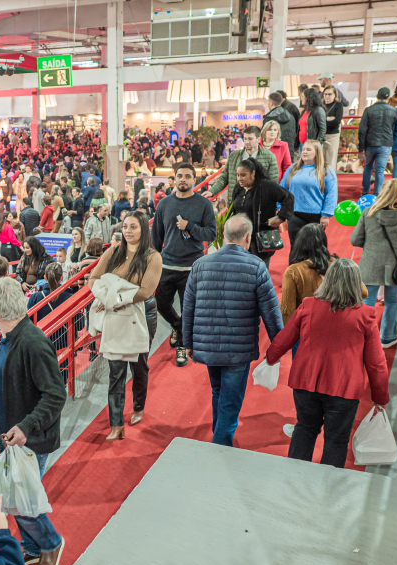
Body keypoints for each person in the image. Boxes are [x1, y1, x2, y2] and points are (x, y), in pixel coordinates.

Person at [265, 259, 390, 467]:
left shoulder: (308, 305)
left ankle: (292, 477)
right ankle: (326, 484)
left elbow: (285, 337)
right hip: (344, 390)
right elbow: (376, 363)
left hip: (306, 383)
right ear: (356, 282)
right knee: (336, 441)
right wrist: (380, 396)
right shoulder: (365, 315)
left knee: (304, 428)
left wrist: (271, 357)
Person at [0, 277, 66, 565]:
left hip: (28, 439)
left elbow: (55, 395)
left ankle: (51, 543)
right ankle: (32, 547)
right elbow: (8, 379)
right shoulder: (9, 338)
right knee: (16, 498)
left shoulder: (32, 342)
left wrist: (26, 426)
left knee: (23, 502)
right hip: (13, 436)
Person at [182, 215, 283, 447]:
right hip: (238, 349)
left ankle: (218, 435)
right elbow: (271, 311)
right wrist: (277, 347)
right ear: (248, 238)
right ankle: (221, 447)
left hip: (207, 345)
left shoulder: (200, 265)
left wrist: (188, 343)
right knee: (230, 402)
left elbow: (188, 308)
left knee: (218, 391)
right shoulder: (256, 266)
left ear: (224, 235)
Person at [88, 210, 162, 439]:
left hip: (141, 313)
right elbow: (93, 279)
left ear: (143, 229)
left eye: (133, 227)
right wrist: (106, 298)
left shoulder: (152, 257)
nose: (127, 231)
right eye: (125, 226)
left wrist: (115, 300)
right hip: (115, 316)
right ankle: (116, 424)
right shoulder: (113, 252)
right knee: (115, 370)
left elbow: (145, 291)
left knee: (139, 365)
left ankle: (138, 406)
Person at [151, 163, 217, 368]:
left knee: (189, 309)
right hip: (167, 265)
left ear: (194, 180)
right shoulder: (164, 204)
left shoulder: (203, 204)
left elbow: (211, 234)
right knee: (161, 304)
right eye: (180, 176)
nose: (183, 179)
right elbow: (156, 236)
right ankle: (178, 327)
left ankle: (181, 344)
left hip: (191, 267)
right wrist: (154, 262)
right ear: (174, 178)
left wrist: (190, 227)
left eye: (188, 176)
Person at [350, 178, 397, 348]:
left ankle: (363, 338)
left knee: (367, 302)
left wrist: (371, 245)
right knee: (392, 301)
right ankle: (387, 337)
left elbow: (355, 239)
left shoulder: (368, 212)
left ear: (382, 191)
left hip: (370, 264)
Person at [230, 157, 294, 267]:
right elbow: (233, 209)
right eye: (238, 175)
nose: (239, 179)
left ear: (253, 173)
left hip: (260, 241)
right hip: (240, 240)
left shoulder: (267, 186)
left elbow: (288, 198)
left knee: (259, 272)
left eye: (243, 175)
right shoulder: (238, 188)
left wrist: (281, 217)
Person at [280, 140, 337, 248]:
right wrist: (279, 206)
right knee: (296, 248)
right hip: (294, 214)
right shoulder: (293, 168)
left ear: (317, 152)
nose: (304, 152)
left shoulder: (326, 170)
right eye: (303, 149)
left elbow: (331, 194)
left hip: (316, 216)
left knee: (315, 248)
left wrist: (326, 215)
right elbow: (282, 189)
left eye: (308, 149)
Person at [208, 126, 279, 201]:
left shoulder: (269, 157)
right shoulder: (233, 156)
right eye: (245, 139)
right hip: (236, 202)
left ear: (258, 139)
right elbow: (223, 178)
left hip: (259, 203)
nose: (247, 142)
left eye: (250, 139)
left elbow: (273, 184)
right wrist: (212, 191)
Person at [358, 87, 397, 196]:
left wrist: (361, 147)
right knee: (380, 170)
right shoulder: (394, 111)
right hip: (386, 144)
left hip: (370, 143)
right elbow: (395, 129)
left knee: (368, 166)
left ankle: (365, 191)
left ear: (377, 96)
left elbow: (362, 130)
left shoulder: (369, 110)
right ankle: (377, 194)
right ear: (388, 98)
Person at [322, 86, 345, 173]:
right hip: (321, 135)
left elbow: (336, 122)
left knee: (331, 160)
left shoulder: (338, 105)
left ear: (335, 95)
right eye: (325, 94)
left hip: (333, 135)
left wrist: (323, 121)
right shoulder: (320, 105)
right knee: (321, 160)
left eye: (329, 94)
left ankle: (330, 178)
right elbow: (317, 121)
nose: (327, 96)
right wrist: (328, 119)